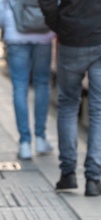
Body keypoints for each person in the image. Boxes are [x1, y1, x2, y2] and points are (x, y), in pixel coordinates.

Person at [38, 0, 101, 196]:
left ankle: (68, 174)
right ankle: (93, 178)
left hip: (72, 39)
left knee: (67, 106)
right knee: (100, 109)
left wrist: (61, 25)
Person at [0, 0, 55, 160]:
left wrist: (7, 26)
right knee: (42, 84)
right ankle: (40, 138)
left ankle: (24, 143)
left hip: (15, 33)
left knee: (19, 87)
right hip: (44, 35)